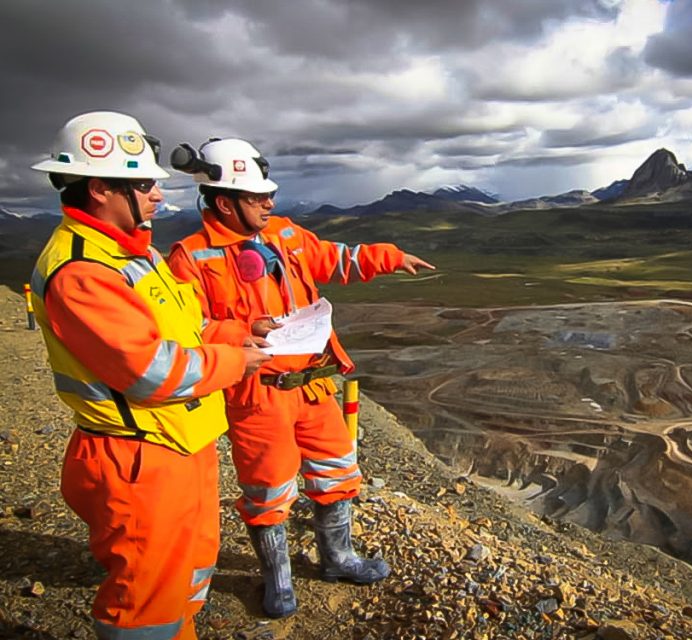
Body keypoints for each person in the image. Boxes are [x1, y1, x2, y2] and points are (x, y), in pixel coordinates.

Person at [166, 137, 435, 618]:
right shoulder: (190, 257)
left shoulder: (285, 235)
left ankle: (338, 557)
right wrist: (243, 328)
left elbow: (336, 258)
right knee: (268, 490)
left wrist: (390, 257)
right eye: (255, 197)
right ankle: (278, 579)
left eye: (268, 193)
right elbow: (188, 328)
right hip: (256, 394)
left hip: (312, 384)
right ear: (224, 202)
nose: (269, 202)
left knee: (337, 472)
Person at [28, 112, 271, 640]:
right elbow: (152, 371)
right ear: (98, 189)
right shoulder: (84, 271)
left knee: (188, 571)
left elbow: (184, 327)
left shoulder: (133, 253)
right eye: (143, 184)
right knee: (146, 597)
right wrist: (236, 364)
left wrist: (237, 332)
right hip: (137, 456)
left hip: (179, 444)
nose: (159, 196)